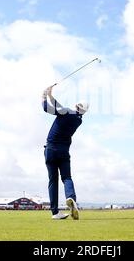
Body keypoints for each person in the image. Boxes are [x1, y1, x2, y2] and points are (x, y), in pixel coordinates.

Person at [42, 85, 88, 220]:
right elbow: (62, 109)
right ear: (84, 111)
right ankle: (70, 198)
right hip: (64, 152)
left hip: (50, 150)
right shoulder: (78, 120)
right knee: (66, 178)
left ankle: (55, 212)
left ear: (76, 105)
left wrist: (44, 96)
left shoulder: (67, 112)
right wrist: (51, 96)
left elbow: (47, 108)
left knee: (53, 181)